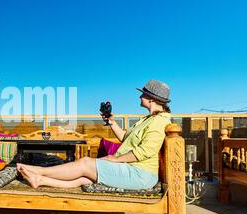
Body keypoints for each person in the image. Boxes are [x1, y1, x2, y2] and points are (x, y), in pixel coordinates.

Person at [17, 79, 172, 190]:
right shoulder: (148, 119)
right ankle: (40, 180)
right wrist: (111, 121)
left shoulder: (159, 122)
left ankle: (38, 170)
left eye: (143, 94)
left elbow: (144, 152)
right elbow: (126, 138)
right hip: (132, 169)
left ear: (151, 98)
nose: (140, 97)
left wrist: (115, 159)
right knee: (84, 178)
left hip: (140, 174)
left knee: (85, 163)